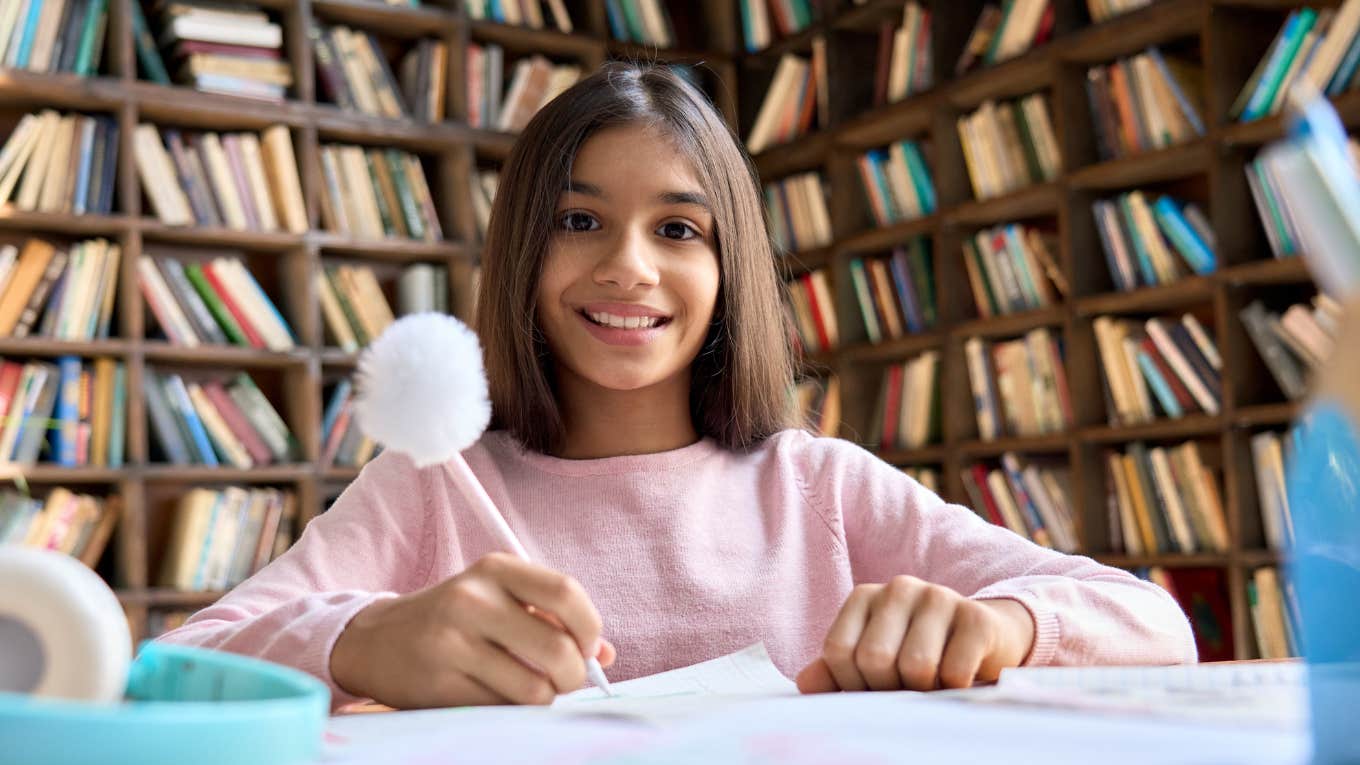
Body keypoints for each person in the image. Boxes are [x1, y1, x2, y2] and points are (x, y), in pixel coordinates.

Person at [157, 63, 1195, 710]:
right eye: (578, 221)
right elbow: (173, 669)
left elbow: (1152, 629)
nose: (630, 268)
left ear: (729, 267)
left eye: (678, 230)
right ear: (521, 249)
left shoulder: (820, 486)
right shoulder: (429, 484)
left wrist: (1004, 628)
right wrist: (363, 644)